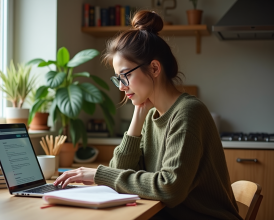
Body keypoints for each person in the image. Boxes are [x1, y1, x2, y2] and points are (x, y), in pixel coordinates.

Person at [54, 10, 242, 220]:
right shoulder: (152, 117)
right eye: (118, 79)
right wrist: (137, 118)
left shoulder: (188, 112)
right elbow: (120, 172)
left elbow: (169, 188)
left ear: (154, 68)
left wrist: (98, 174)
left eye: (125, 76)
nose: (122, 87)